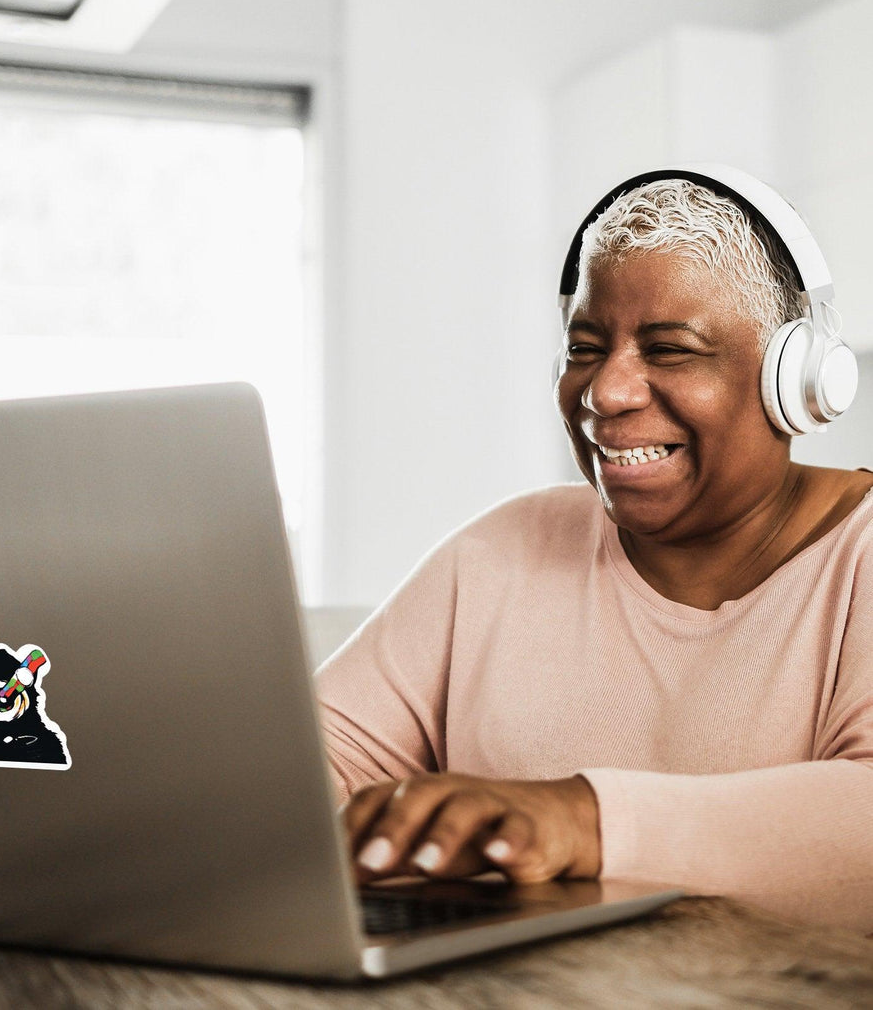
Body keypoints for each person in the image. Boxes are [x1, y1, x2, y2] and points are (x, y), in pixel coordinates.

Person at [319, 170, 873, 933]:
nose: (605, 393)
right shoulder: (500, 550)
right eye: (585, 346)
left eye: (669, 350)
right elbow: (311, 760)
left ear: (799, 381)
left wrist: (580, 820)